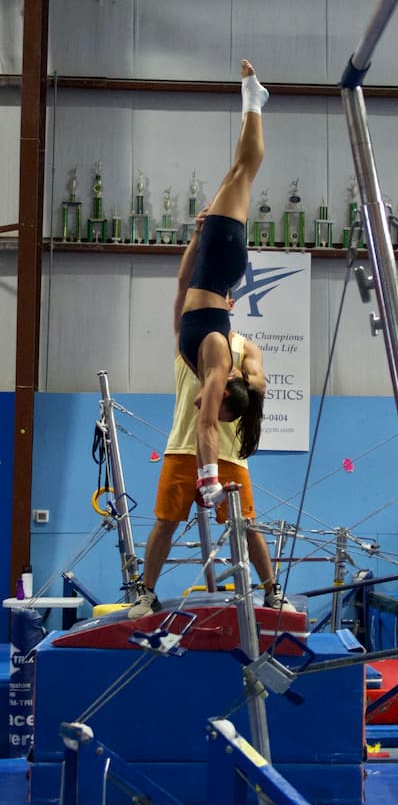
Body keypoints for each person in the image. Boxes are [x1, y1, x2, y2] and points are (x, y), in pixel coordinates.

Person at [129, 228, 294, 618]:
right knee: (166, 523)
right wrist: (198, 237)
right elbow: (183, 283)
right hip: (184, 445)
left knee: (248, 525)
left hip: (229, 451)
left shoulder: (245, 348)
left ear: (230, 303)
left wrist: (232, 374)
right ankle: (147, 592)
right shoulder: (186, 337)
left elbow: (260, 383)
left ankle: (271, 590)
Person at [178, 58, 268, 509]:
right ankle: (254, 100)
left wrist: (195, 239)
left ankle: (252, 102)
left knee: (237, 172)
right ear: (225, 382)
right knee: (244, 170)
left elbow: (181, 286)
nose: (205, 406)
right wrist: (208, 478)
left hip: (211, 263)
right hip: (222, 260)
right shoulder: (215, 359)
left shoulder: (197, 354)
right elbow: (208, 427)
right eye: (216, 402)